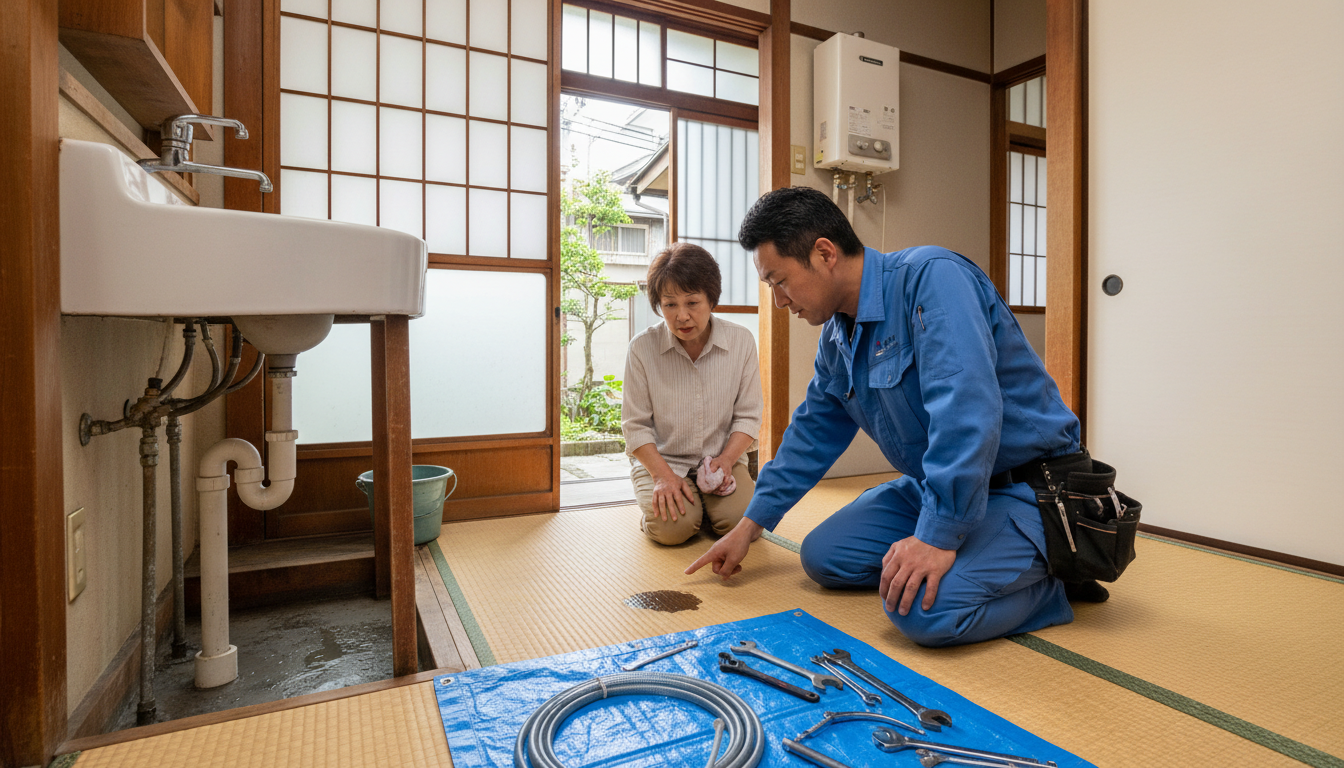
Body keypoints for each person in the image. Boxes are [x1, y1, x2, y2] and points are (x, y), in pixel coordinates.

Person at [687, 186, 1098, 647]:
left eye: (779, 281)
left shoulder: (933, 278)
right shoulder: (836, 339)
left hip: (1031, 489)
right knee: (824, 557)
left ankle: (1056, 579)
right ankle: (972, 550)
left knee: (925, 612)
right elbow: (812, 433)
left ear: (824, 253)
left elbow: (966, 411)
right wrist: (750, 525)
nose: (780, 301)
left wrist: (938, 538)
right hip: (937, 487)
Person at [622, 242, 763, 545]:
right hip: (664, 461)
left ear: (711, 299)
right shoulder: (642, 348)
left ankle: (705, 509)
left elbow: (749, 416)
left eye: (692, 302)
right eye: (670, 305)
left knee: (743, 526)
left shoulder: (741, 341)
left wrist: (727, 460)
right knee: (672, 530)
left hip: (720, 460)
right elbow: (635, 426)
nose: (682, 316)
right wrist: (662, 476)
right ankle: (674, 511)